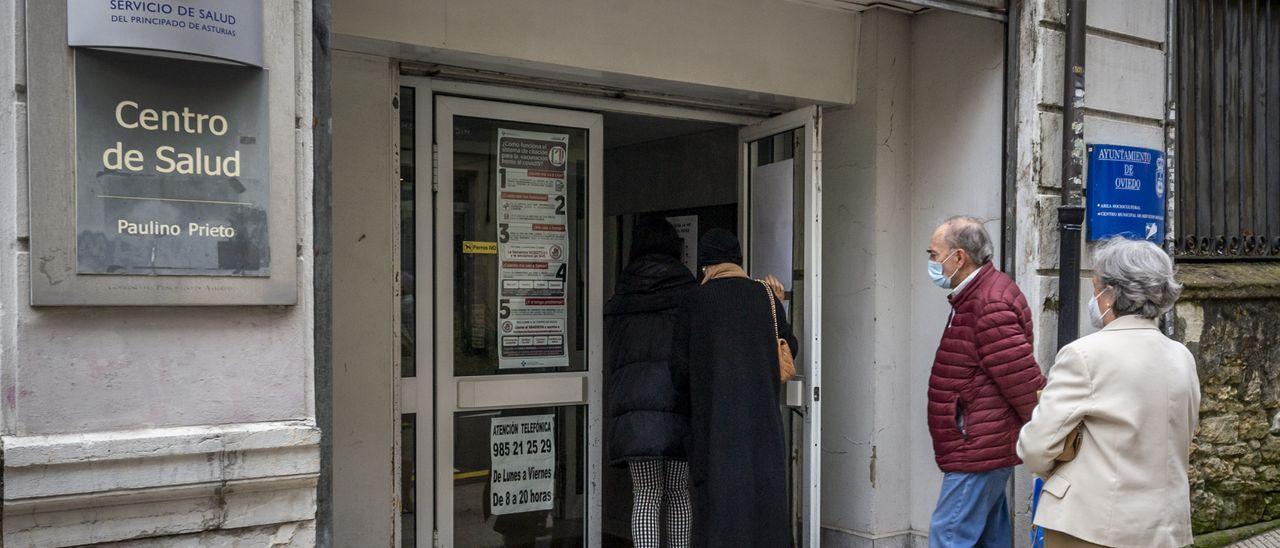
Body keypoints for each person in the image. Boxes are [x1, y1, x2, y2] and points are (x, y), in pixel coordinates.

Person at [1018, 237, 1199, 548]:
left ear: (1111, 292)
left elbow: (1035, 448)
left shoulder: (1084, 355)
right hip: (1164, 526)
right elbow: (1184, 433)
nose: (1095, 296)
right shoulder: (1181, 355)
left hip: (1090, 524)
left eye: (1096, 287)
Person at [670, 228, 797, 548]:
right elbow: (788, 346)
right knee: (764, 511)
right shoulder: (766, 295)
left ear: (706, 266)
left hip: (716, 428)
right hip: (762, 429)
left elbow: (679, 371)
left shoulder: (693, 300)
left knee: (719, 513)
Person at [924, 216, 1045, 547]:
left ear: (959, 257)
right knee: (990, 538)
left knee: (948, 536)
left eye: (934, 254)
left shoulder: (988, 302)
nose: (931, 263)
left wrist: (1048, 433)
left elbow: (1022, 379)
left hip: (976, 447)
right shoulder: (975, 295)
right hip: (981, 442)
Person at [605, 217, 698, 548]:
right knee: (677, 492)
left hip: (633, 410)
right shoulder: (689, 292)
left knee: (645, 493)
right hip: (678, 405)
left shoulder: (622, 294)